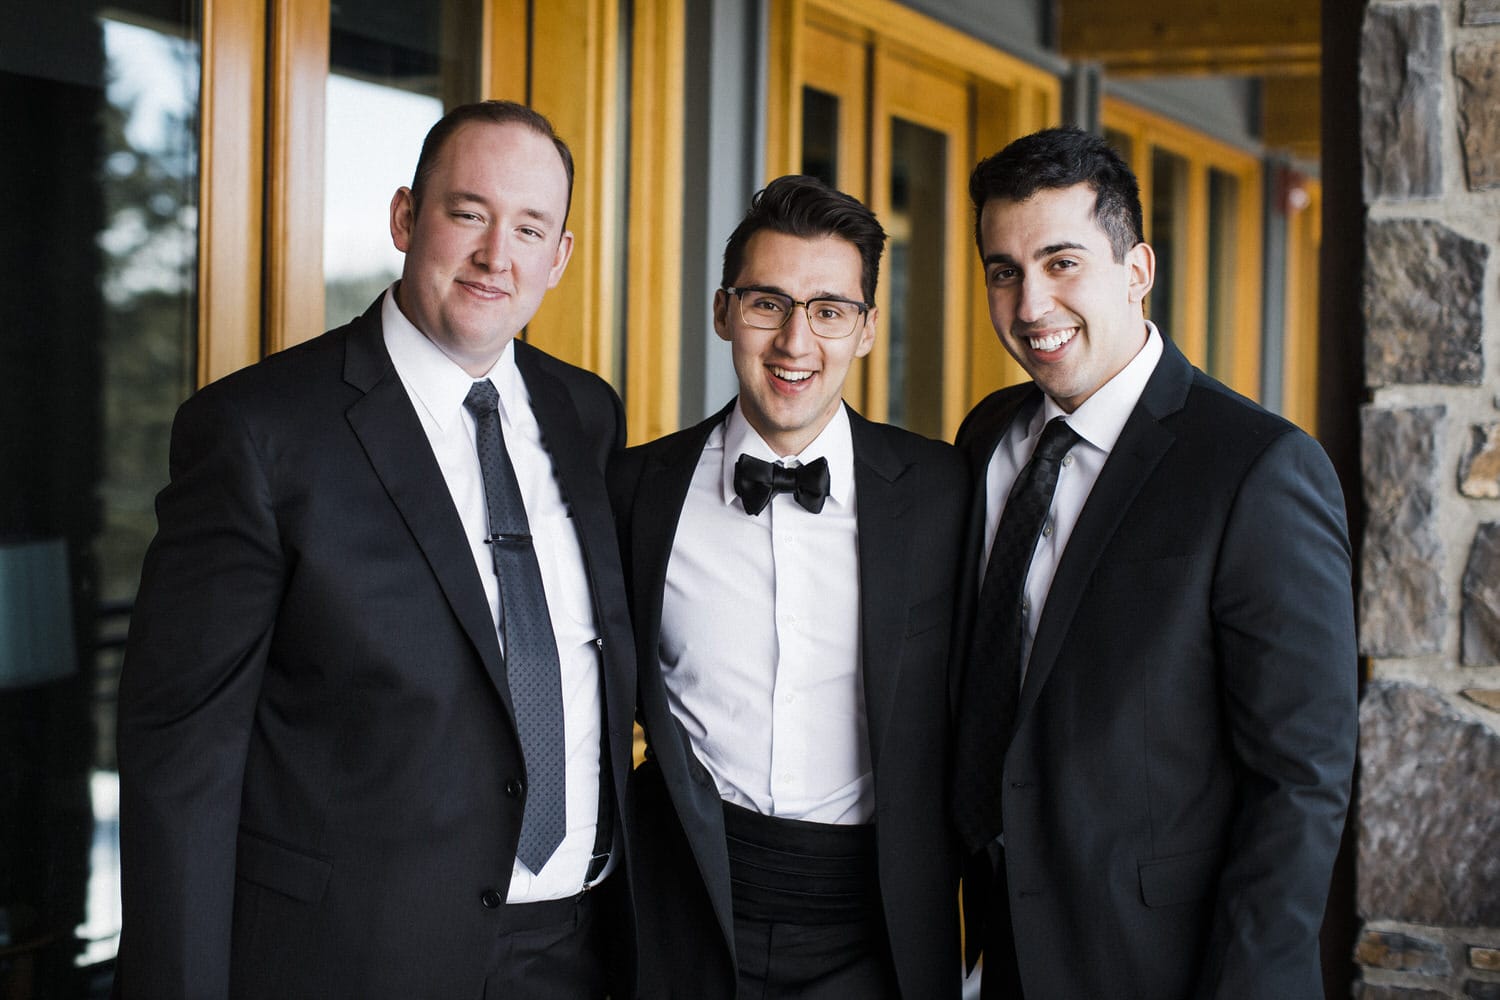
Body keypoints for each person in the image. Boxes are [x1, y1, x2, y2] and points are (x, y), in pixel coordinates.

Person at [116, 101, 636, 999]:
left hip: (576, 955)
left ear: (561, 258)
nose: (495, 256)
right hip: (351, 959)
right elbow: (183, 764)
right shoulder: (256, 432)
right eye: (467, 213)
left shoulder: (587, 415)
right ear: (405, 217)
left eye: (529, 228)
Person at [950, 125, 1358, 1000]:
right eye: (1004, 271)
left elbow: (1302, 781)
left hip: (1159, 963)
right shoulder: (988, 436)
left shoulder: (1256, 467)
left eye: (1062, 263)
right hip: (997, 947)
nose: (1030, 306)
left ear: (1137, 269)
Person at [609, 175, 966, 999]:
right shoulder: (634, 490)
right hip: (682, 906)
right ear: (723, 311)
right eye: (768, 304)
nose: (795, 343)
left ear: (868, 329)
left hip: (872, 922)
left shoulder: (945, 490)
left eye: (829, 311)